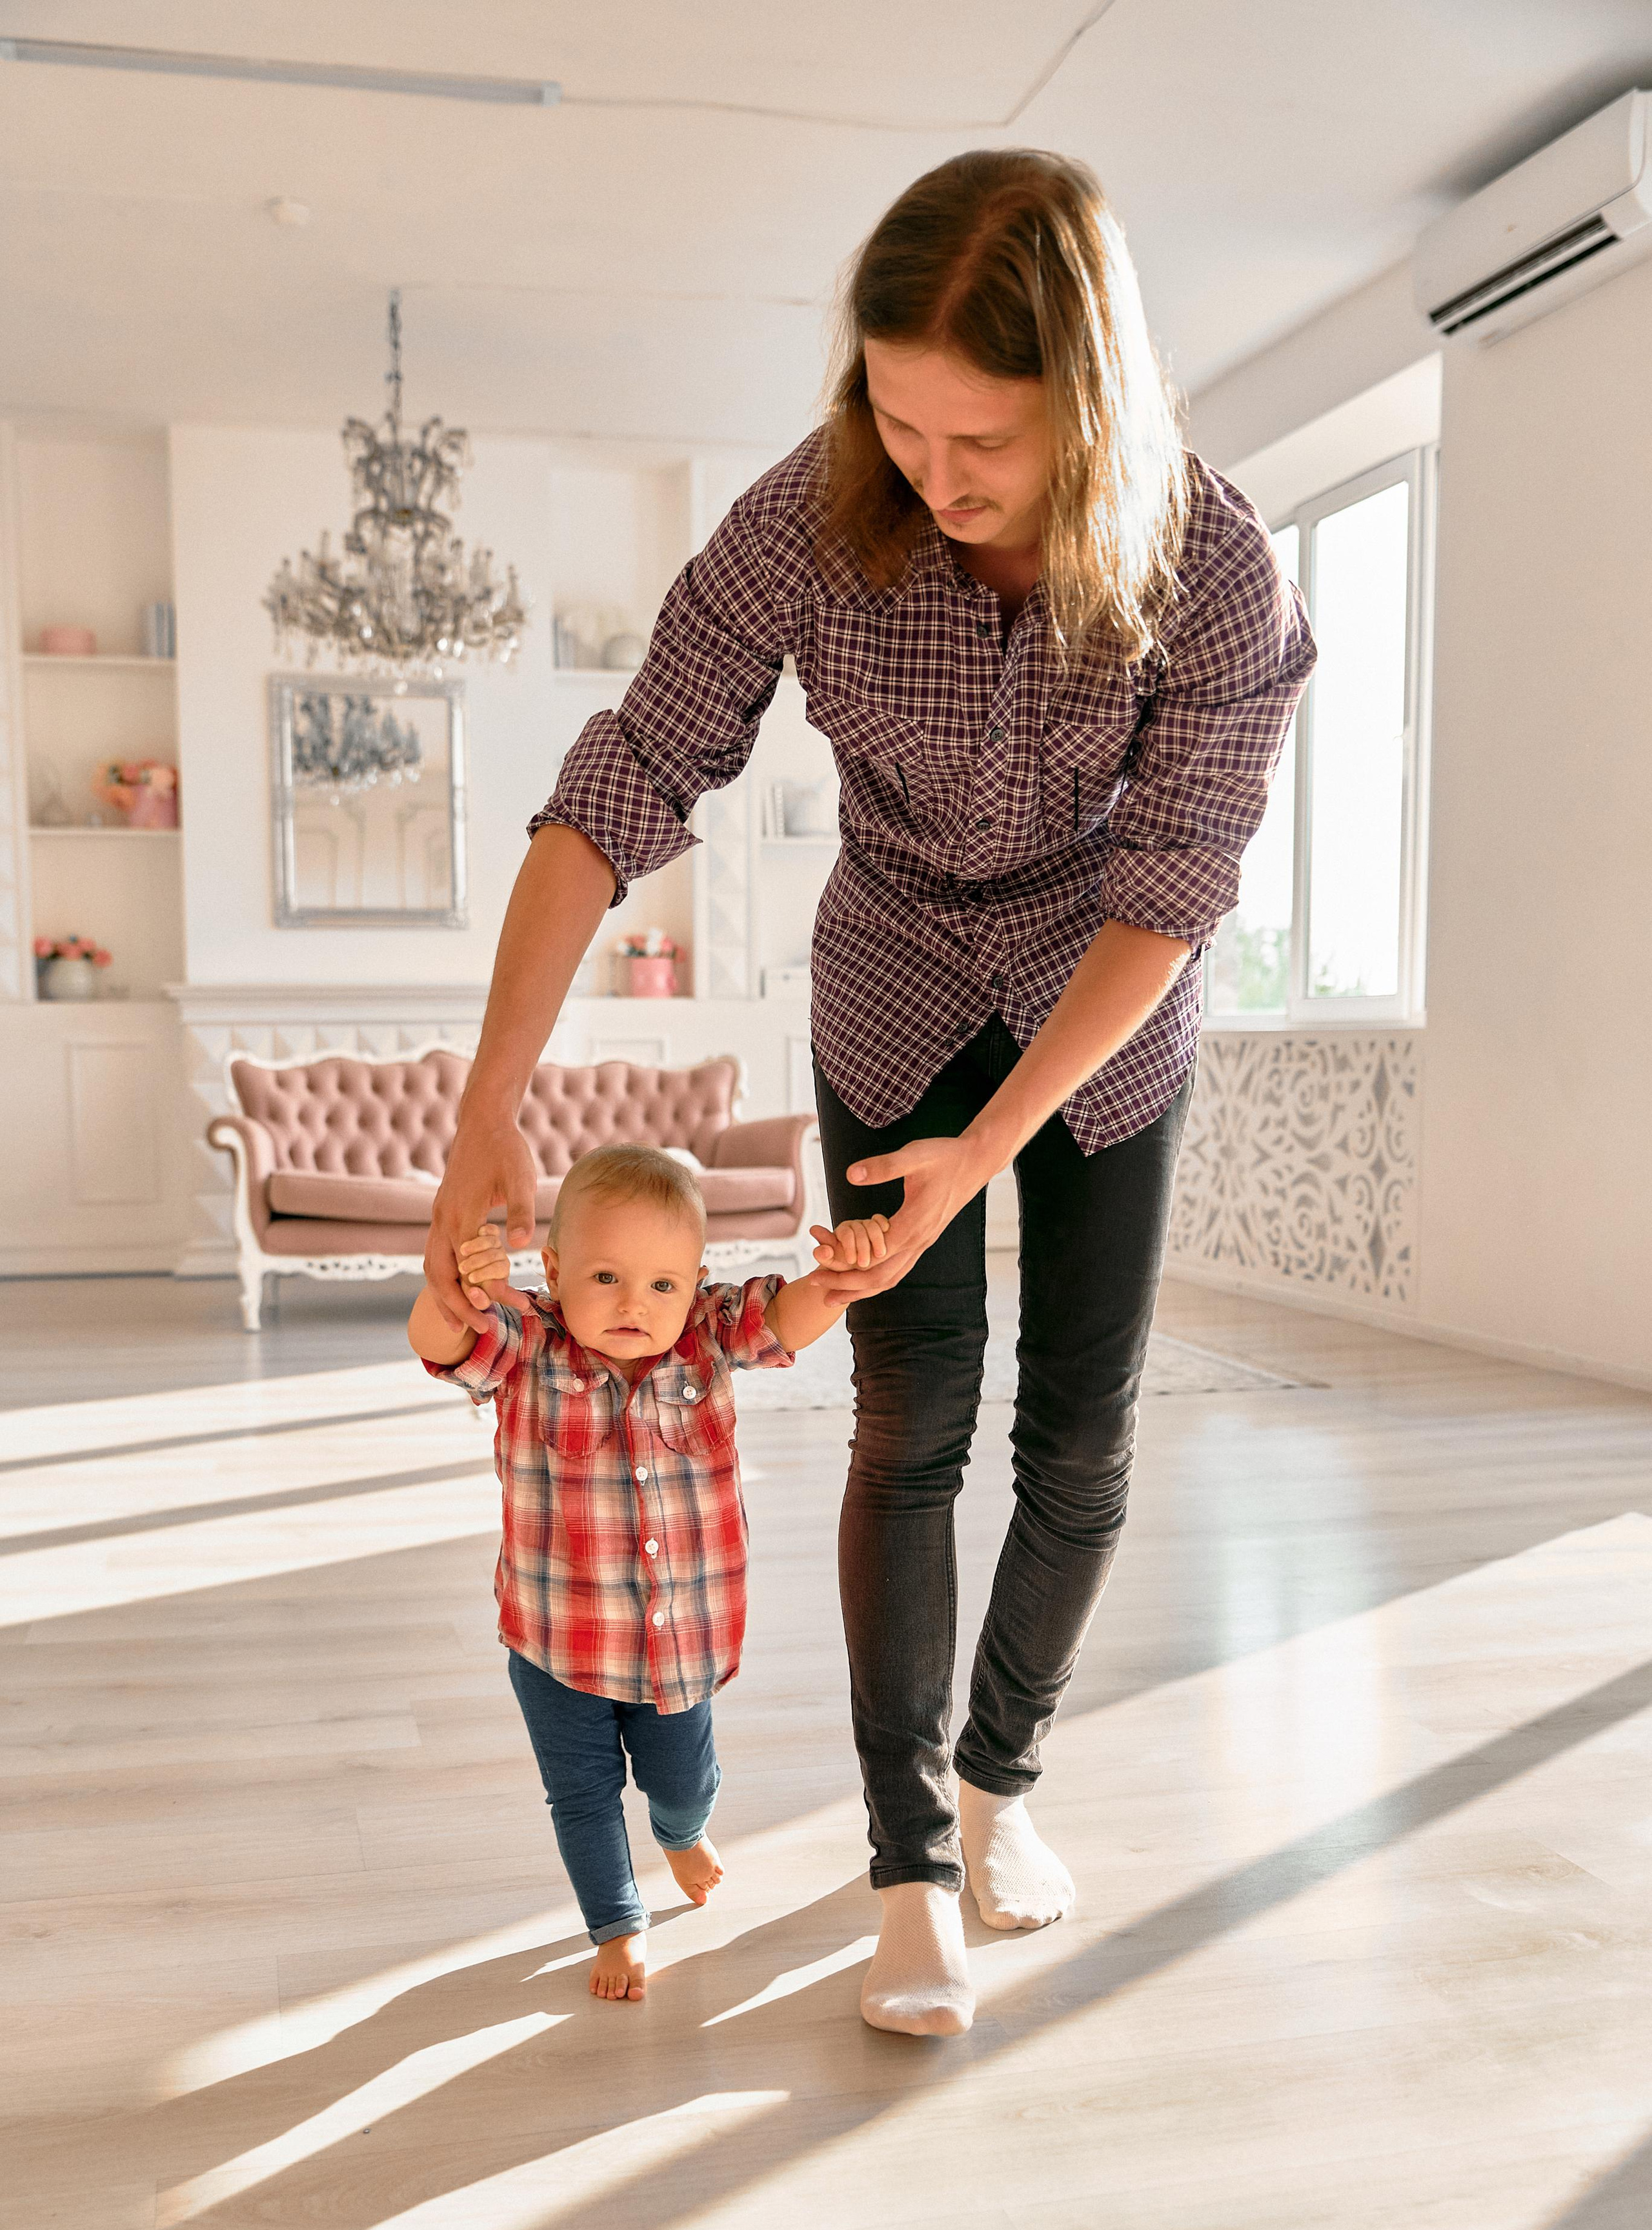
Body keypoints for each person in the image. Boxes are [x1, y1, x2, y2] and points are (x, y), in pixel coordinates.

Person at [425, 149, 1315, 2038]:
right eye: (900, 418)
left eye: (982, 434)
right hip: (900, 974)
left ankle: (1002, 1791)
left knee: (1077, 1433)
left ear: (1098, 399)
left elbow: (1171, 888)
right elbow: (632, 767)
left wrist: (993, 1148)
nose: (936, 471)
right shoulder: (813, 518)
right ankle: (905, 1855)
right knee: (910, 1407)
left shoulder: (1217, 573)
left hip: (1103, 1006)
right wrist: (489, 1089)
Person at [409, 1141, 890, 2002]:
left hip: (680, 1646)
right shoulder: (527, 1345)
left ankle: (680, 1830)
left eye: (662, 1284)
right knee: (583, 1798)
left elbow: (789, 1315)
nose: (636, 1304)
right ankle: (618, 1922)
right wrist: (457, 1287)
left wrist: (840, 1278)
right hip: (557, 1646)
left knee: (684, 1779)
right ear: (554, 1270)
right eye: (604, 1278)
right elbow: (442, 1343)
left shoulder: (707, 1335)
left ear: (696, 1280)